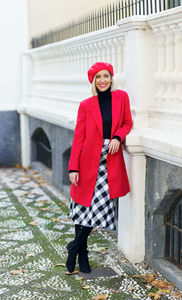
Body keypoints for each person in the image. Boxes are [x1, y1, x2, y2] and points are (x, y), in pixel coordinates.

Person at [66, 62, 133, 273]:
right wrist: (73, 168)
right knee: (84, 206)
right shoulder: (86, 105)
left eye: (106, 76)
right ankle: (81, 252)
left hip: (109, 161)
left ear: (111, 78)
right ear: (93, 81)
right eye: (98, 77)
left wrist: (117, 137)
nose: (103, 80)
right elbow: (79, 137)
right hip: (87, 162)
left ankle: (74, 246)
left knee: (98, 208)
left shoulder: (121, 97)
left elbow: (127, 123)